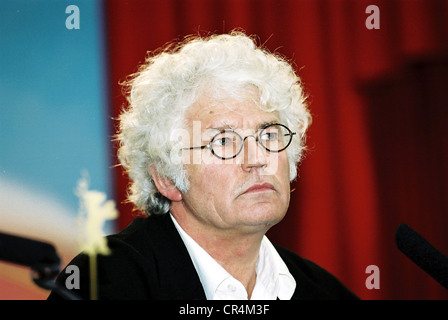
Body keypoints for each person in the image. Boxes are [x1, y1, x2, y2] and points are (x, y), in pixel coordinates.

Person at [48, 31, 358, 300]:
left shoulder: (322, 291)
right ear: (167, 178)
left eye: (269, 135)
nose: (257, 159)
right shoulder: (105, 282)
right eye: (223, 142)